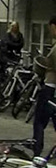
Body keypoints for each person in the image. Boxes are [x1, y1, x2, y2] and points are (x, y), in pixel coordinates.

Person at [36, 20, 56, 154]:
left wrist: (45, 66)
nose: (50, 31)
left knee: (39, 121)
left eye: (52, 28)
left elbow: (51, 65)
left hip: (50, 88)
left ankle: (36, 150)